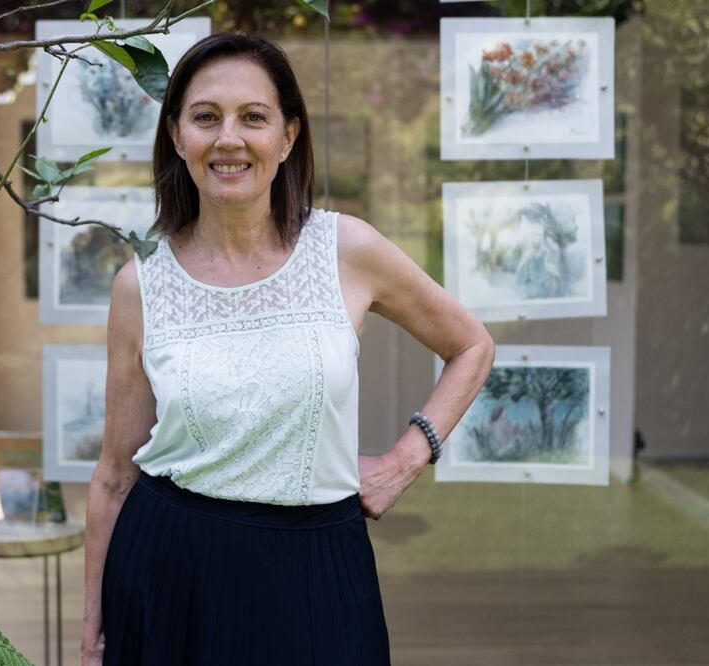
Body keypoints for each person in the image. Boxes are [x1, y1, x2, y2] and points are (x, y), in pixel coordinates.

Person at [81, 32, 494, 666]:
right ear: (176, 135)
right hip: (171, 569)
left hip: (319, 567)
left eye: (254, 117)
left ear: (288, 136)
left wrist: (408, 458)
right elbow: (114, 476)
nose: (229, 139)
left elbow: (471, 344)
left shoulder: (346, 250)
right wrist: (94, 637)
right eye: (205, 117)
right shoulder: (142, 285)